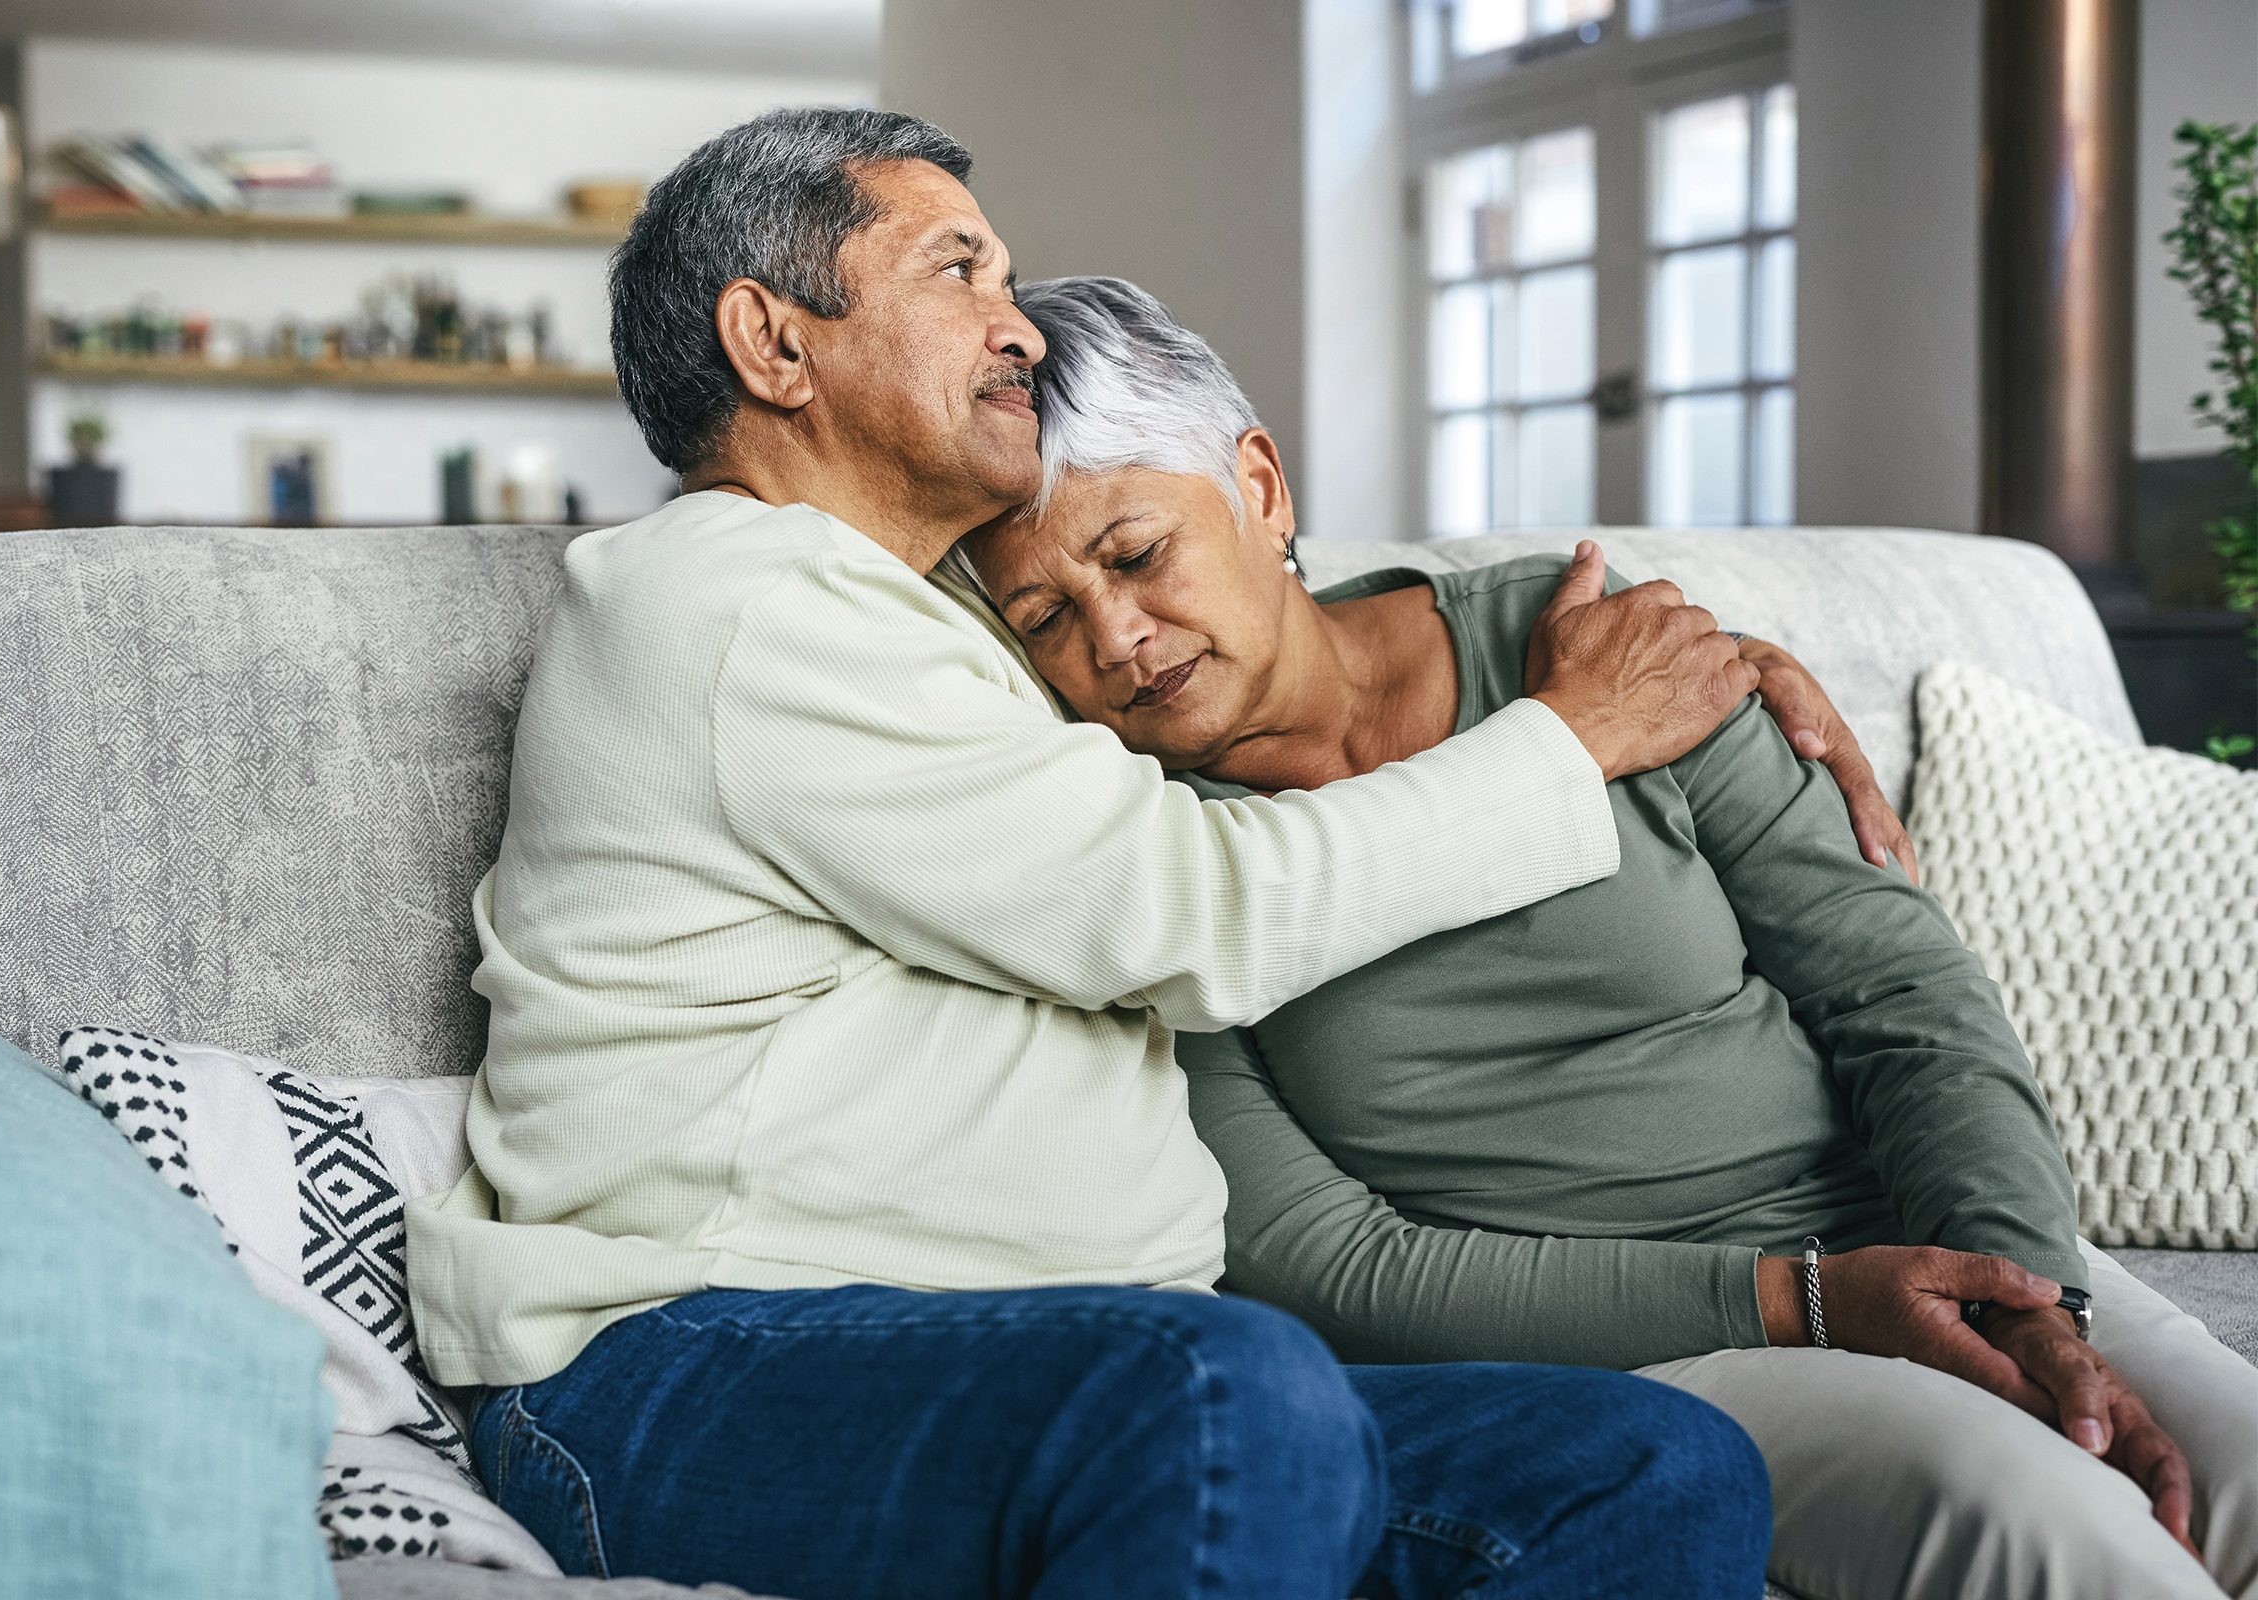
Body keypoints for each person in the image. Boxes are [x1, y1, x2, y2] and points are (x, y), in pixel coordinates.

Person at [403, 107, 1807, 1600]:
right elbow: (1198, 910)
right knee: (1225, 1387)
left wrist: (1695, 665)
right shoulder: (741, 605)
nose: (1016, 327)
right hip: (703, 1366)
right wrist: (1579, 732)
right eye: (957, 271)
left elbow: (1255, 644)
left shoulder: (936, 621)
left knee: (1650, 1466)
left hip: (1065, 1377)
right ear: (772, 340)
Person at [955, 273, 2258, 1600]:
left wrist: (2029, 1298)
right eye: (1045, 618)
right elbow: (1326, 1265)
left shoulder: (1583, 639)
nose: (1116, 638)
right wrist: (1812, 1300)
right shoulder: (1142, 856)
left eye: (1134, 554)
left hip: (1920, 1223)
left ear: (1262, 486)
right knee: (2058, 1536)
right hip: (1660, 1349)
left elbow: (1899, 985)